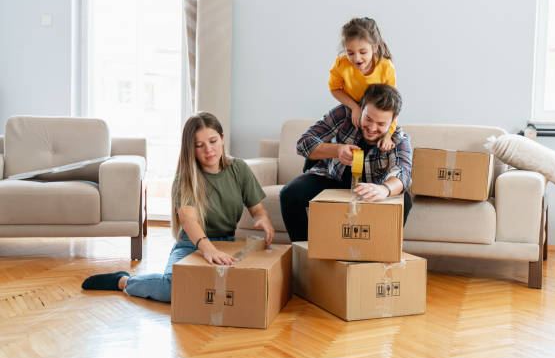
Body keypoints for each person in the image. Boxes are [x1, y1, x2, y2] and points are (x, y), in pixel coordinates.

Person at [81, 112, 275, 302]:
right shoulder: (186, 177)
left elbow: (257, 210)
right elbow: (188, 218)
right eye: (199, 145)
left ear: (223, 139)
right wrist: (207, 248)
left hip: (227, 244)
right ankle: (124, 281)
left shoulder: (238, 168)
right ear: (190, 148)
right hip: (192, 245)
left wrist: (262, 220)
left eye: (213, 141)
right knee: (172, 289)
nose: (209, 150)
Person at [280, 83, 413, 242]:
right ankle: (305, 253)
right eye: (368, 118)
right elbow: (303, 144)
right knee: (289, 193)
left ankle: (376, 257)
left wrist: (384, 189)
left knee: (405, 201)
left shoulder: (398, 139)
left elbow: (403, 173)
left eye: (381, 124)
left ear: (393, 120)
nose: (371, 128)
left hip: (370, 188)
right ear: (361, 107)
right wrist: (337, 149)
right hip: (333, 177)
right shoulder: (344, 114)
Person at [329, 17, 398, 151]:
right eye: (350, 53)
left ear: (374, 48)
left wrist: (389, 135)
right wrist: (355, 107)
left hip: (376, 111)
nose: (356, 58)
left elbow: (392, 105)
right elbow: (335, 89)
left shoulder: (386, 67)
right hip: (351, 107)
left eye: (363, 52)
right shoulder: (341, 64)